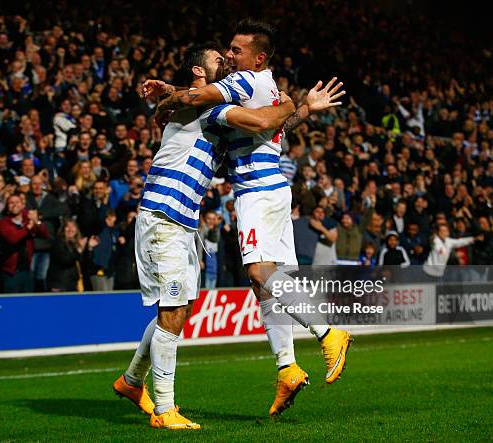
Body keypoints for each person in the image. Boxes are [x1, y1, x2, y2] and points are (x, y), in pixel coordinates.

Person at [150, 19, 351, 415]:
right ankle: (287, 369)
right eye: (227, 48)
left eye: (236, 50)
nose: (229, 54)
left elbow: (201, 97)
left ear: (258, 58)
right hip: (274, 189)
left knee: (260, 274)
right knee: (270, 287)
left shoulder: (244, 81)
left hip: (257, 192)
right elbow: (274, 125)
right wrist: (304, 107)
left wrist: (167, 96)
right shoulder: (266, 86)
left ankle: (329, 332)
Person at [113, 42, 297, 430]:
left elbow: (264, 128)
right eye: (218, 60)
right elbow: (263, 121)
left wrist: (299, 109)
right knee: (173, 312)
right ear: (199, 72)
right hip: (164, 215)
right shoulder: (206, 106)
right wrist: (292, 103)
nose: (227, 64)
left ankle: (131, 382)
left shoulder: (205, 109)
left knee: (176, 309)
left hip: (181, 221)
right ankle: (164, 410)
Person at [0, 193, 49, 293]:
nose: (14, 205)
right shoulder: (3, 223)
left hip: (27, 270)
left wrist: (36, 221)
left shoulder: (28, 220)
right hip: (11, 272)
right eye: (11, 203)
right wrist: (27, 228)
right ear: (7, 207)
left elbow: (45, 235)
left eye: (17, 202)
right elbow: (13, 238)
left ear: (22, 205)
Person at [47, 218, 98, 292]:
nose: (70, 229)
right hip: (59, 285)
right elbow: (66, 260)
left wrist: (90, 247)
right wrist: (79, 249)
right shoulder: (58, 243)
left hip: (73, 285)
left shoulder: (76, 244)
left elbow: (85, 264)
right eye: (67, 226)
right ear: (63, 229)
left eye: (73, 226)